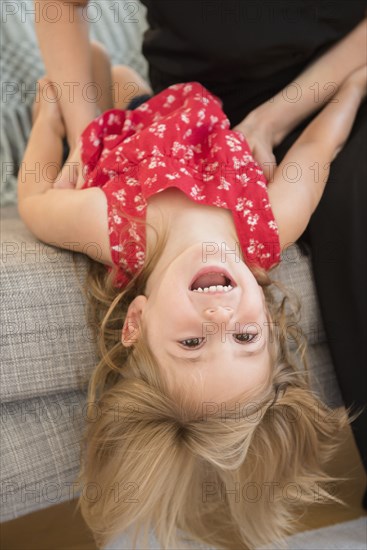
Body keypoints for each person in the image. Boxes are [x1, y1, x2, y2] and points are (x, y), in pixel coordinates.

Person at [18, 28, 366, 546]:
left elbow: (34, 200)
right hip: (186, 111)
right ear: (268, 321)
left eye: (192, 344)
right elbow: (320, 146)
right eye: (245, 339)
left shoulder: (111, 226)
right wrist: (356, 86)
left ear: (136, 321)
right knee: (127, 82)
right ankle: (110, 78)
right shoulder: (270, 224)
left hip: (115, 142)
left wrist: (52, 127)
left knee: (94, 96)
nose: (220, 322)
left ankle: (73, 95)